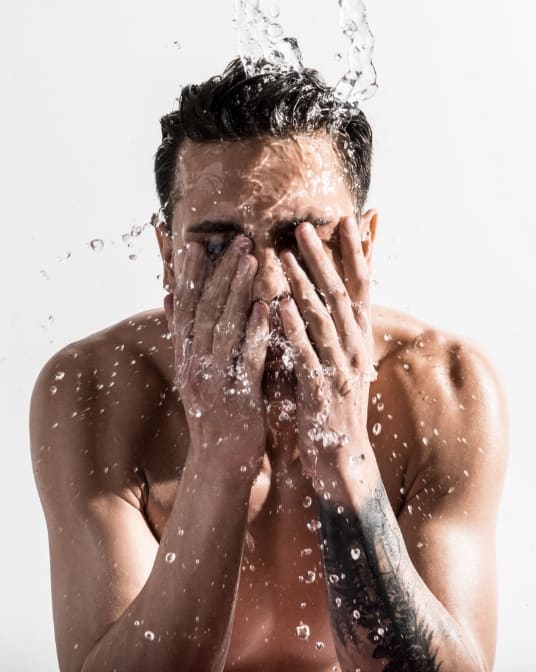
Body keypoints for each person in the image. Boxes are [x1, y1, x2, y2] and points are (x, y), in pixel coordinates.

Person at [30, 58, 508, 672]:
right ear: (169, 257)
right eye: (221, 245)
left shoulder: (446, 388)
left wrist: (345, 454)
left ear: (362, 245)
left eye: (301, 237)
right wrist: (219, 461)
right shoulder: (95, 391)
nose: (269, 284)